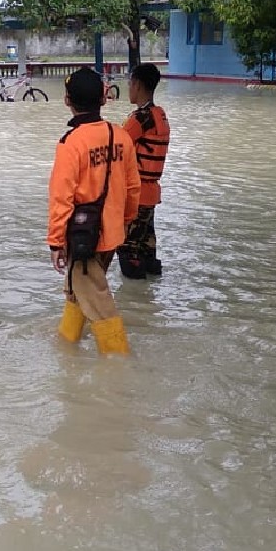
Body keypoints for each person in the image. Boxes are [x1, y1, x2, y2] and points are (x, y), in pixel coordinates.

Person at [48, 67, 140, 355]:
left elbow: (61, 198)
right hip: (111, 233)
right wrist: (122, 222)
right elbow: (133, 188)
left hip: (83, 238)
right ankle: (66, 349)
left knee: (99, 302)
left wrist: (55, 242)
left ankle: (119, 367)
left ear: (67, 101)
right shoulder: (121, 135)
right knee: (79, 291)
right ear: (103, 99)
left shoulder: (71, 143)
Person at [116, 63, 170, 279]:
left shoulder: (140, 118)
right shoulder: (160, 115)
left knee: (128, 252)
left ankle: (132, 307)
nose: (128, 87)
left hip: (136, 195)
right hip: (150, 195)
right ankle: (147, 305)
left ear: (136, 84)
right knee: (147, 252)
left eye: (129, 83)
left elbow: (117, 146)